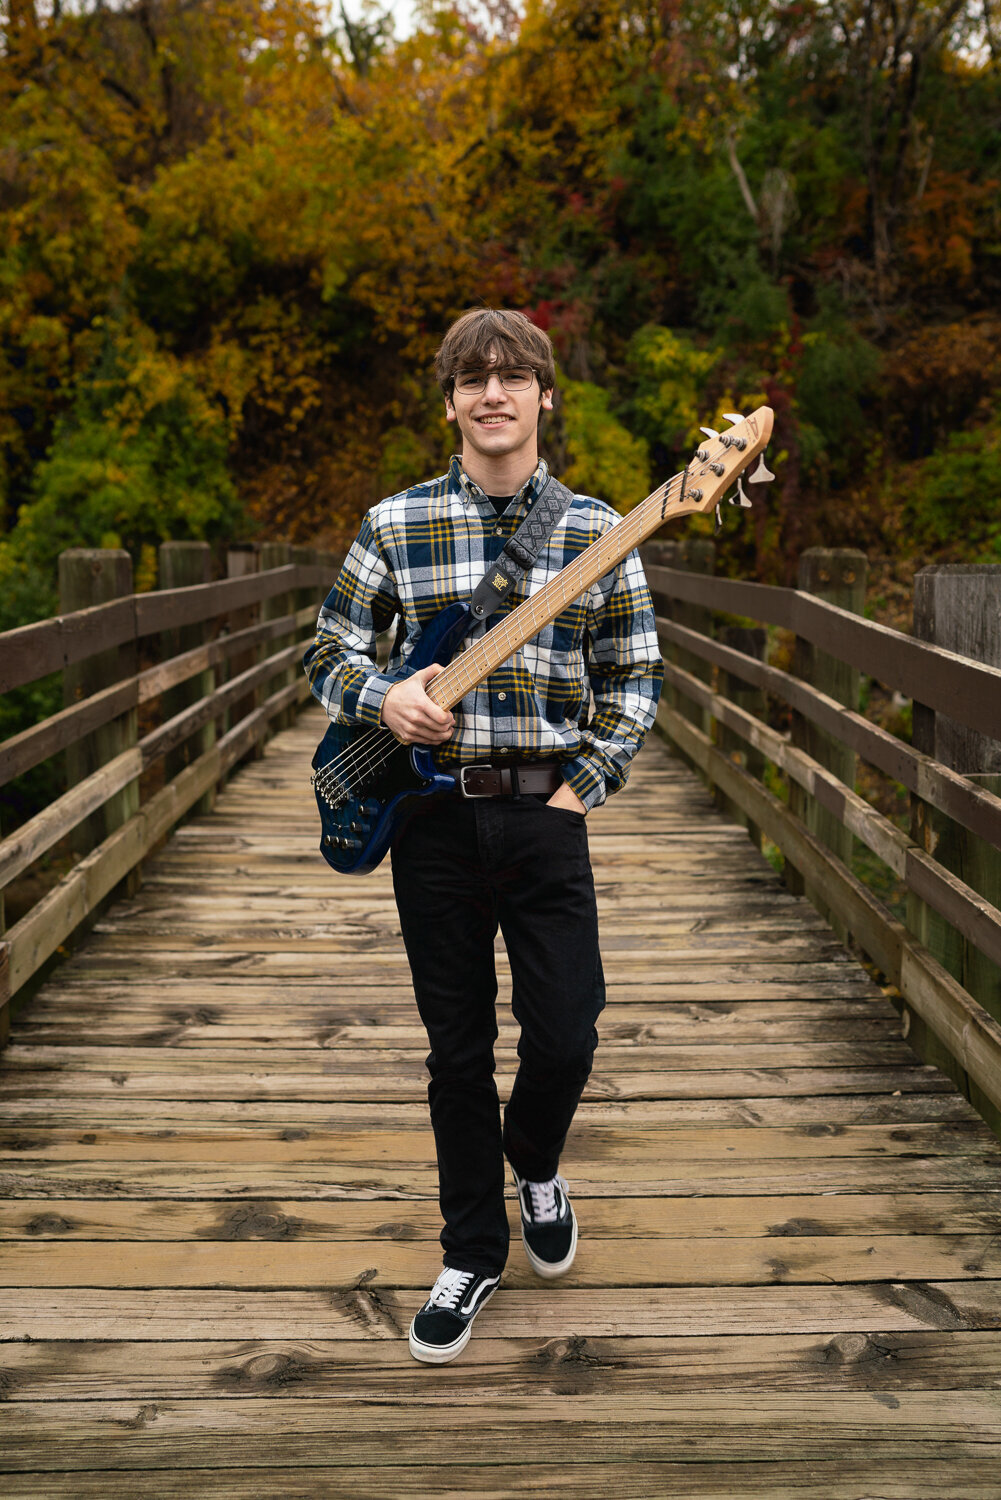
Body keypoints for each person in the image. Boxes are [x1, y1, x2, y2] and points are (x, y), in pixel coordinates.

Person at [304, 307, 663, 1364]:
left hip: (546, 814)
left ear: (544, 395)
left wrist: (579, 789)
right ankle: (471, 1250)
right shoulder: (393, 522)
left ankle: (534, 1162)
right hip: (431, 820)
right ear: (450, 399)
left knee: (566, 1035)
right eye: (472, 379)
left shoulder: (602, 526)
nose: (492, 394)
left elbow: (633, 677)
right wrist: (383, 697)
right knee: (455, 1052)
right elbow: (324, 650)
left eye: (512, 377)